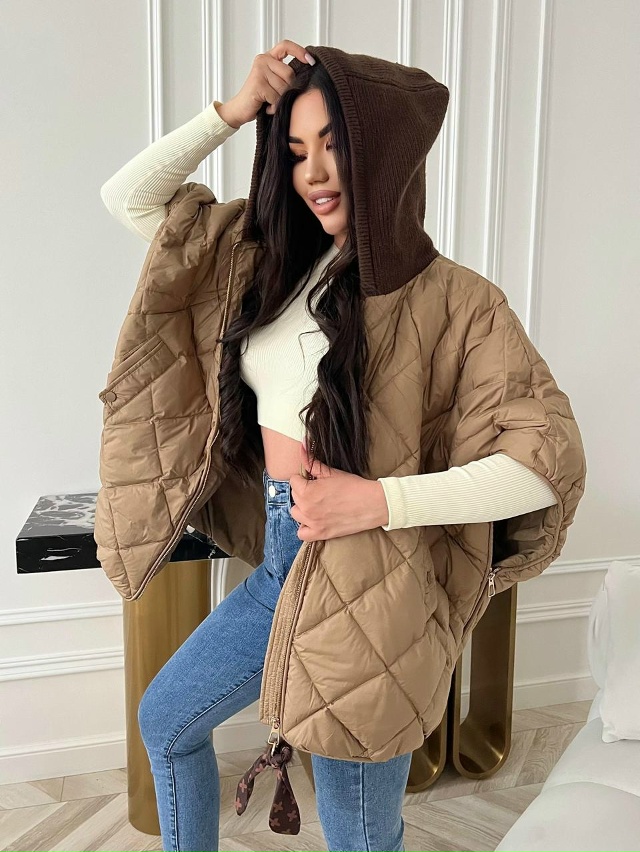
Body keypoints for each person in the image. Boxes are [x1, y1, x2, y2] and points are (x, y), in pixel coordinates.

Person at [97, 40, 586, 852]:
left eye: (334, 145)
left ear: (383, 154)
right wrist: (234, 110)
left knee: (360, 834)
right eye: (296, 151)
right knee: (167, 722)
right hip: (282, 565)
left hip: (374, 586)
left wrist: (379, 501)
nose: (315, 172)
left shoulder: (458, 301)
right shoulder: (264, 260)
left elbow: (545, 465)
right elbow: (128, 199)